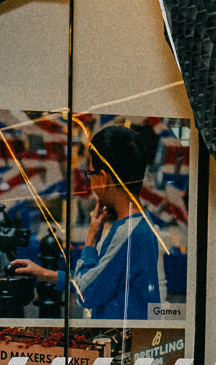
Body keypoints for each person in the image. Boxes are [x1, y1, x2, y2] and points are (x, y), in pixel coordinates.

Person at [14, 123, 164, 321]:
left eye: (91, 174)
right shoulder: (139, 224)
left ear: (103, 178)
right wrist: (45, 274)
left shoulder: (129, 233)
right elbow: (98, 280)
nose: (90, 182)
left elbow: (86, 292)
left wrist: (91, 241)